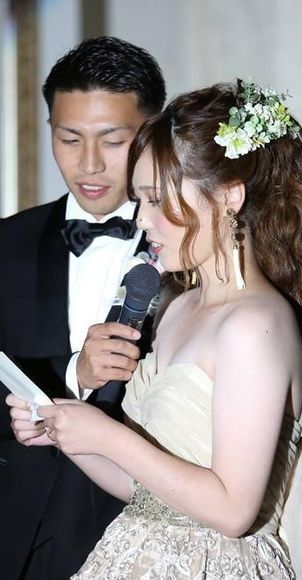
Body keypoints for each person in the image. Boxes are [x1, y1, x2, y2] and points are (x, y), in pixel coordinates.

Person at [8, 79, 302, 578]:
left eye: (158, 200)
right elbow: (146, 489)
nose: (142, 220)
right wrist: (64, 431)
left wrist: (108, 436)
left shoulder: (255, 325)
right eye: (140, 200)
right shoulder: (175, 308)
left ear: (229, 196)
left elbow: (233, 510)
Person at [0, 36, 166, 579]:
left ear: (153, 132)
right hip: (19, 540)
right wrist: (73, 374)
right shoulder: (7, 245)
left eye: (113, 141)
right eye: (69, 138)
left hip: (150, 541)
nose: (89, 164)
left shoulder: (199, 249)